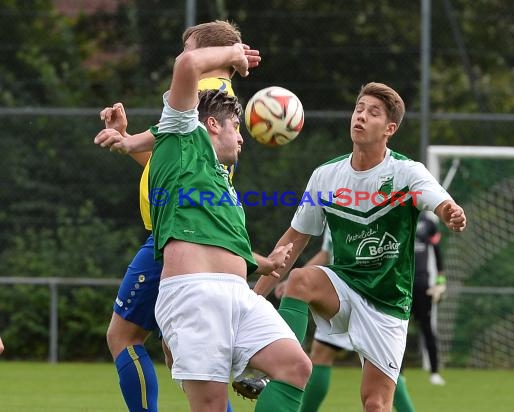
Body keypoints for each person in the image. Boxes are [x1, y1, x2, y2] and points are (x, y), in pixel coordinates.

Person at [93, 21, 285, 412]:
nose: (184, 56)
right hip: (185, 232)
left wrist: (130, 139)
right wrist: (132, 145)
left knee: (124, 336)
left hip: (176, 239)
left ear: (208, 52)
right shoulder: (212, 105)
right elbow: (168, 168)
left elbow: (184, 76)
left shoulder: (212, 93)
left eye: (191, 47)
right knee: (184, 354)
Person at [254, 82, 467, 411]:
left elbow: (437, 199)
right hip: (345, 285)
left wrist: (449, 210)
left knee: (376, 404)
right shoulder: (326, 176)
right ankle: (279, 365)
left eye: (373, 112)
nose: (361, 116)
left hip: (387, 300)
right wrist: (253, 298)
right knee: (299, 280)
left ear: (389, 129)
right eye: (358, 109)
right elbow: (293, 241)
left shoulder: (406, 172)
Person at [146, 43, 312, 412]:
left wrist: (264, 264)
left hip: (240, 296)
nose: (241, 137)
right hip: (195, 296)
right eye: (236, 127)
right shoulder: (183, 138)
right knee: (211, 407)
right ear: (211, 124)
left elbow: (221, 246)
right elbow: (187, 63)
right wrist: (233, 53)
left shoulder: (223, 185)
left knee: (296, 366)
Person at [236, 225, 416, 412]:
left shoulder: (385, 205)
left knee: (380, 389)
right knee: (319, 354)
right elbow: (323, 251)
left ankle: (274, 372)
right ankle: (276, 371)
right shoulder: (332, 204)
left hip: (379, 300)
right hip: (341, 292)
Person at [412, 211, 447, 385]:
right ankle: (396, 373)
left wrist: (440, 280)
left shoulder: (428, 222)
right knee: (395, 329)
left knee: (427, 328)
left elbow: (437, 251)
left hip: (422, 285)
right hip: (399, 283)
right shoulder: (395, 213)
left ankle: (434, 372)